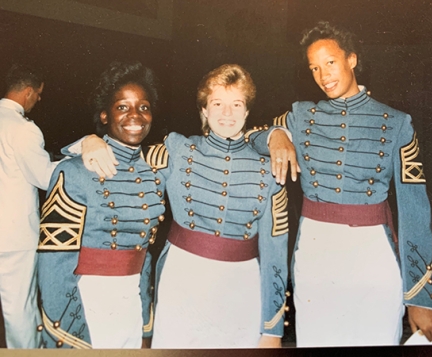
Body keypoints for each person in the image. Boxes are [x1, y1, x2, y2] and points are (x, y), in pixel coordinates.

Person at [247, 21, 432, 347]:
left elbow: (415, 213)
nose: (323, 76)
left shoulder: (397, 123)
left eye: (330, 62)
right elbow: (249, 136)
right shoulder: (300, 115)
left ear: (351, 59)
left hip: (374, 256)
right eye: (314, 68)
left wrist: (420, 297)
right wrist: (275, 135)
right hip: (316, 254)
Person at [76, 64, 289, 348]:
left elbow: (275, 254)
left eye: (236, 104)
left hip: (242, 291)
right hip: (181, 282)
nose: (227, 113)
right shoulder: (177, 150)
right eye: (217, 103)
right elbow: (124, 154)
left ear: (247, 111)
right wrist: (87, 142)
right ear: (204, 110)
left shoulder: (270, 169)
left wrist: (272, 330)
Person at [36, 61, 166, 349]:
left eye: (143, 107)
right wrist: (69, 333)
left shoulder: (152, 172)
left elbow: (142, 258)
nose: (135, 115)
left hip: (130, 306)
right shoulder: (74, 173)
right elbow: (53, 267)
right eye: (123, 107)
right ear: (105, 115)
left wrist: (145, 322)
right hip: (86, 304)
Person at [0, 63, 56, 348]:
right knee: (18, 306)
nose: (38, 100)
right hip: (13, 235)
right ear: (27, 92)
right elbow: (45, 176)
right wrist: (77, 158)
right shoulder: (23, 129)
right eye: (38, 94)